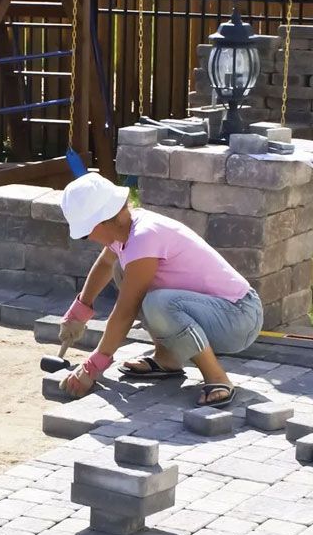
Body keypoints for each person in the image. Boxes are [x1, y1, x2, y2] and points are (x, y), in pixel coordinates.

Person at [57, 172, 263, 408]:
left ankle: (217, 377)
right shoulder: (123, 230)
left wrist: (93, 365)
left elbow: (125, 310)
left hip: (239, 318)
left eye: (86, 232)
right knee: (122, 272)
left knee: (159, 303)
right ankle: (167, 360)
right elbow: (104, 264)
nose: (89, 238)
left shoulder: (144, 237)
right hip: (215, 312)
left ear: (102, 221)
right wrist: (79, 312)